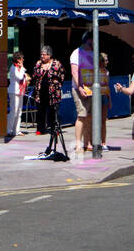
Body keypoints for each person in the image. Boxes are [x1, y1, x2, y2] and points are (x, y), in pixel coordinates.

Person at [29, 46, 64, 151]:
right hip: (41, 90)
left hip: (53, 91)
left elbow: (62, 75)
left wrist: (57, 85)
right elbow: (34, 75)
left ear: (49, 55)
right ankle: (40, 128)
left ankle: (55, 129)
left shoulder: (56, 63)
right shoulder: (38, 64)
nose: (42, 56)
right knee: (41, 109)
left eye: (44, 54)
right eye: (41, 54)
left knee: (53, 110)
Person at [69, 31, 94, 160]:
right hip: (80, 88)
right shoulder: (76, 53)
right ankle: (78, 144)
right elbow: (74, 71)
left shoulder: (93, 53)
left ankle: (88, 141)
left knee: (89, 116)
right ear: (87, 40)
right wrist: (79, 87)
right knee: (82, 115)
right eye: (92, 40)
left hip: (91, 88)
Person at [7, 52, 27, 139]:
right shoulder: (13, 68)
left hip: (20, 91)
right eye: (22, 59)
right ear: (18, 60)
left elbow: (23, 77)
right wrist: (22, 67)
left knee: (19, 112)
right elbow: (19, 77)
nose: (23, 60)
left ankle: (16, 130)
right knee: (13, 111)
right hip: (14, 91)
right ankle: (8, 130)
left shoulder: (19, 68)